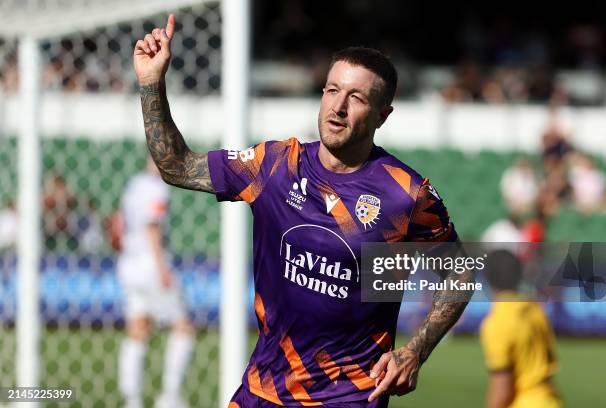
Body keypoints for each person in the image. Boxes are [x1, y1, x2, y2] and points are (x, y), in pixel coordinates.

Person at [133, 15, 473, 407]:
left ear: (383, 114)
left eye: (357, 98)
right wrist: (151, 82)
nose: (339, 107)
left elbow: (460, 273)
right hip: (263, 391)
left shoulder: (406, 195)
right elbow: (175, 166)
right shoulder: (274, 165)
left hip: (349, 397)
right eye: (332, 90)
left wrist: (415, 350)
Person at [117, 156, 195, 408]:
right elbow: (153, 228)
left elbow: (118, 223)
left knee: (138, 329)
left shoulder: (133, 184)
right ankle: (170, 396)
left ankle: (132, 398)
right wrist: (163, 269)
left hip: (129, 262)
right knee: (183, 327)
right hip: (151, 263)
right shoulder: (156, 187)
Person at [480, 250, 562, 408]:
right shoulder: (535, 309)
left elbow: (502, 391)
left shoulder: (497, 322)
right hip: (552, 400)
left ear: (488, 279)